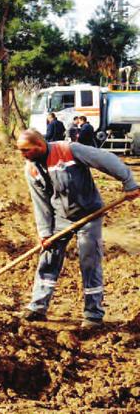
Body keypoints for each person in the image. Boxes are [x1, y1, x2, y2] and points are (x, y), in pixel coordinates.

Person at [15, 129, 140, 329]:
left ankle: (93, 314)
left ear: (39, 146)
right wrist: (45, 233)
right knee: (49, 257)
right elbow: (41, 203)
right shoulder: (31, 169)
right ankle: (38, 306)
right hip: (60, 218)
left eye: (25, 150)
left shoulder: (69, 150)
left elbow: (106, 160)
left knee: (89, 260)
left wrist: (129, 182)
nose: (23, 155)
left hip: (88, 214)